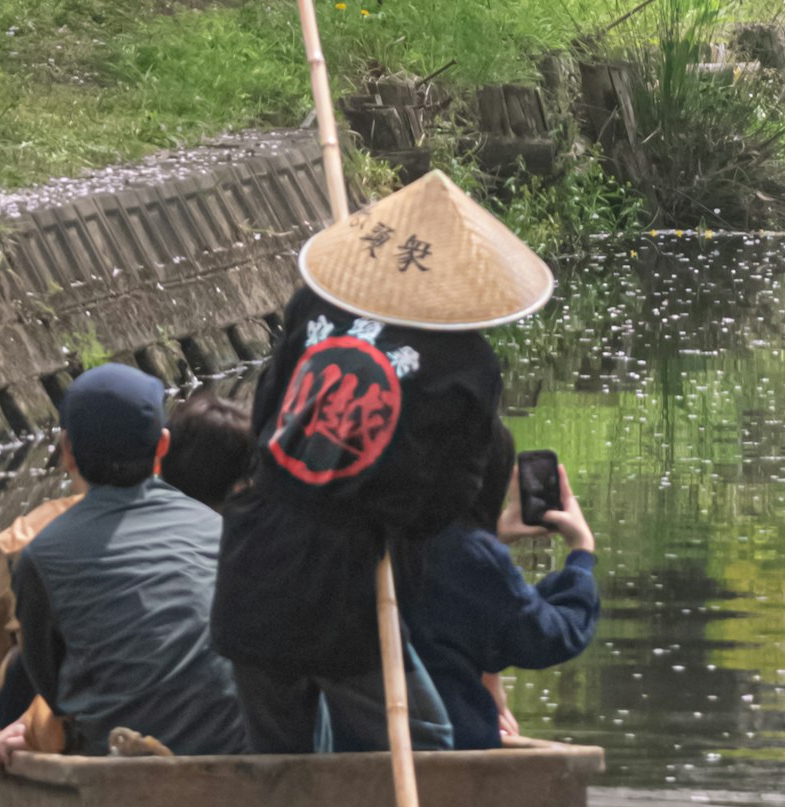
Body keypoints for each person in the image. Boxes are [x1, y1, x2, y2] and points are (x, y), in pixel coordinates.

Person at [212, 167, 555, 755]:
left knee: (278, 762)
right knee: (424, 744)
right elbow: (443, 502)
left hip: (250, 560)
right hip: (339, 582)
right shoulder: (466, 366)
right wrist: (376, 509)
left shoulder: (314, 305)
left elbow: (265, 420)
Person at [0, 359, 254, 763]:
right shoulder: (218, 529)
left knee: (18, 662)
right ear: (162, 448)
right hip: (235, 748)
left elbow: (55, 693)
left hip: (116, 761)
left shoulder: (40, 554)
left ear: (67, 454)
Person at [399, 432, 600, 749]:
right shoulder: (468, 556)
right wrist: (581, 554)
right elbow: (552, 635)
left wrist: (489, 536)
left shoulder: (367, 536)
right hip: (443, 738)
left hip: (347, 734)